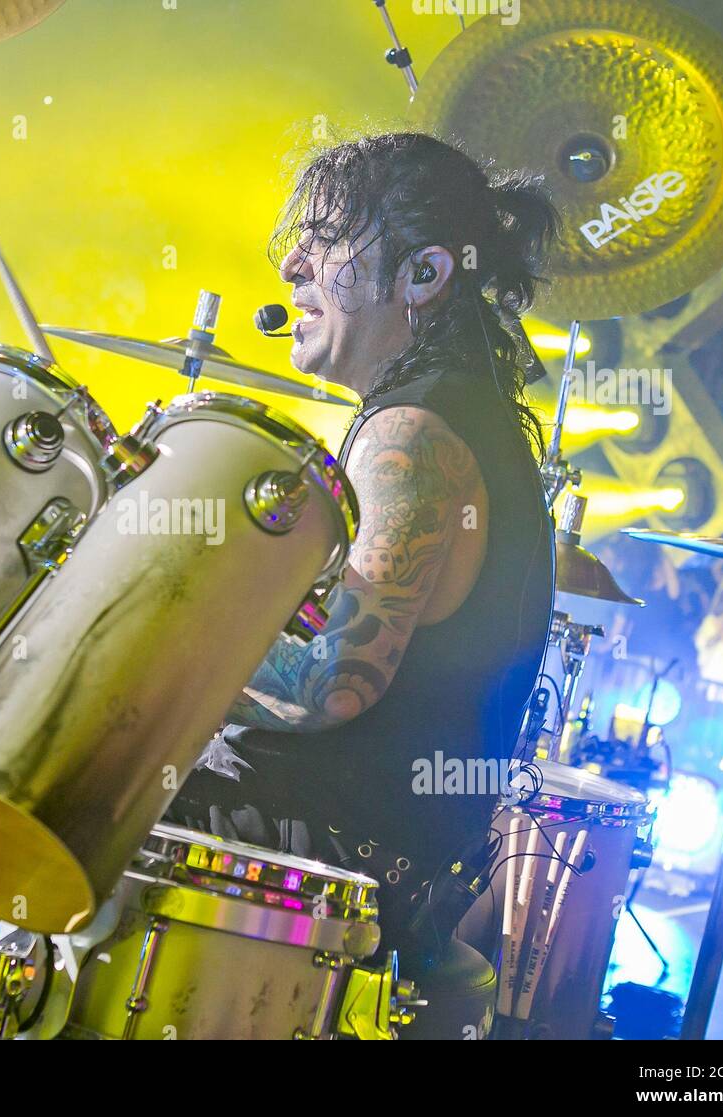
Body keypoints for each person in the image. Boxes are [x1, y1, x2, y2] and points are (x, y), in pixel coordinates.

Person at [167, 132, 557, 955]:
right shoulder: (456, 411)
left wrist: (148, 645)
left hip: (319, 855)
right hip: (386, 852)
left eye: (326, 239)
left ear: (424, 274)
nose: (293, 266)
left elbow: (329, 684)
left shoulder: (412, 431)